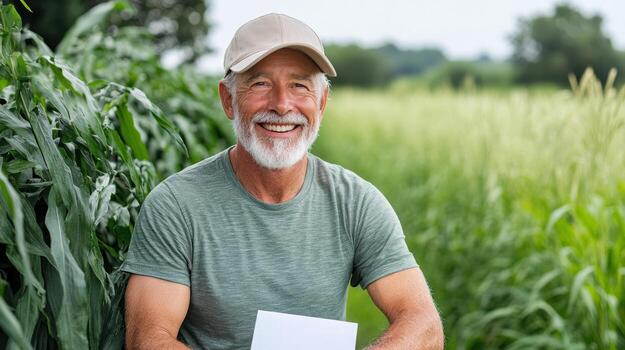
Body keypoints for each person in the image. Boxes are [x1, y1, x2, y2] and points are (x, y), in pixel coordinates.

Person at [121, 13, 444, 350]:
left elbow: (423, 323)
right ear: (228, 99)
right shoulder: (175, 206)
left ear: (321, 103)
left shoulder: (355, 202)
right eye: (260, 83)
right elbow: (148, 340)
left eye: (299, 85)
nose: (281, 105)